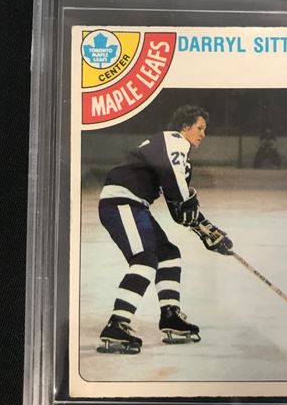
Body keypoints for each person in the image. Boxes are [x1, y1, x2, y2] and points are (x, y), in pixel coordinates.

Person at [97, 105, 233, 354]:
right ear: (185, 126)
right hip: (121, 201)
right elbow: (179, 192)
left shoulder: (178, 157)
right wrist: (199, 219)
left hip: (135, 204)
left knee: (168, 254)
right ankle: (117, 324)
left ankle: (170, 315)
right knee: (145, 259)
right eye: (200, 128)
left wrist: (208, 231)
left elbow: (179, 210)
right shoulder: (174, 140)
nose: (203, 134)